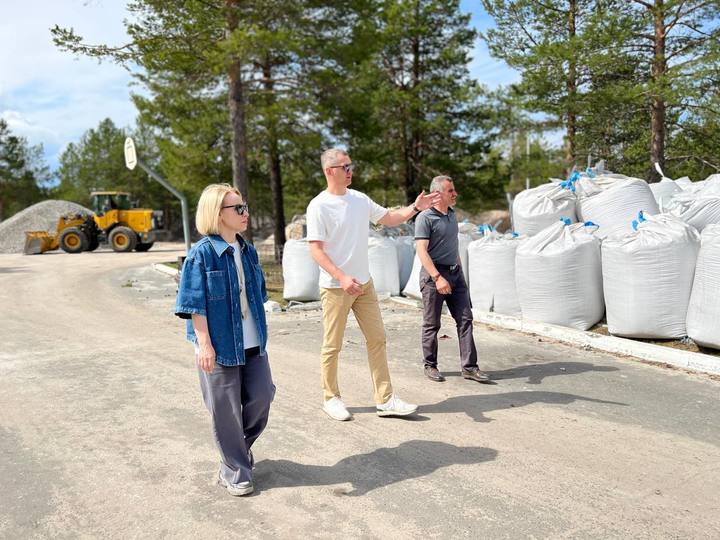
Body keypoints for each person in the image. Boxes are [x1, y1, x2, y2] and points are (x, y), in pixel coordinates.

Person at [307, 148, 440, 421]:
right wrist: (342, 277)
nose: (350, 171)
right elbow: (316, 250)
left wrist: (416, 208)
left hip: (364, 285)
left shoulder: (359, 199)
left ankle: (386, 399)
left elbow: (389, 218)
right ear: (329, 171)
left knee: (377, 339)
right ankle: (331, 398)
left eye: (350, 165)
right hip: (336, 287)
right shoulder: (318, 206)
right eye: (345, 166)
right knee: (332, 345)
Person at [175, 183, 275, 497]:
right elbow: (194, 304)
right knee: (225, 409)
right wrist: (204, 344)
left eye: (244, 206)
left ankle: (236, 451)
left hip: (252, 341)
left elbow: (257, 293)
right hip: (218, 345)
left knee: (262, 396)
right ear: (218, 214)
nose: (246, 213)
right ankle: (235, 469)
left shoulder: (248, 249)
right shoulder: (201, 254)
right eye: (239, 209)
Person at [415, 175, 490, 384]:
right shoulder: (425, 218)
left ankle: (469, 368)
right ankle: (430, 365)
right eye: (451, 191)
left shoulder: (451, 215)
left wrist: (460, 275)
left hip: (455, 274)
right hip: (434, 276)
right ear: (438, 194)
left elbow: (453, 247)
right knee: (432, 324)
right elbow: (421, 250)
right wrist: (438, 278)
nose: (455, 194)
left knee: (465, 320)